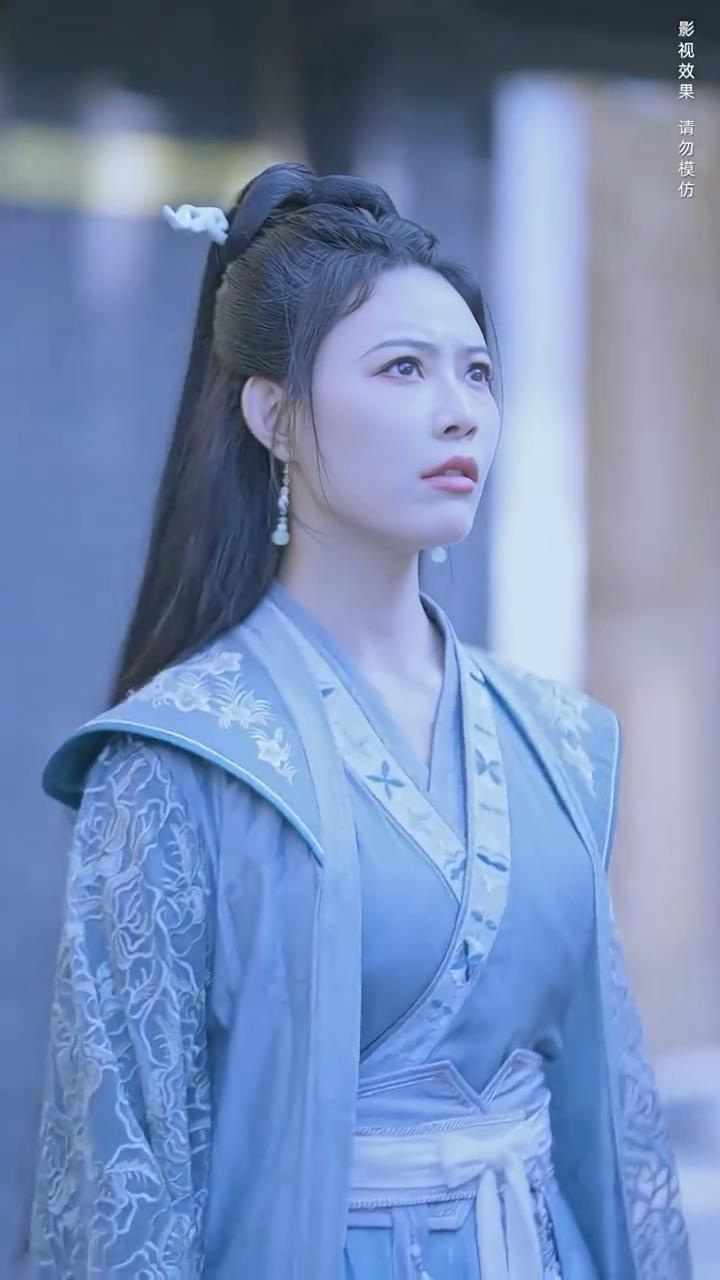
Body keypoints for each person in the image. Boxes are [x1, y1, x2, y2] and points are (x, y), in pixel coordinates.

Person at [30, 161, 691, 1279]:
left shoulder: (558, 739)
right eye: (403, 368)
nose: (460, 410)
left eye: (477, 372)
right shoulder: (181, 757)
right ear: (275, 416)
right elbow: (123, 1164)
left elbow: (609, 1123)